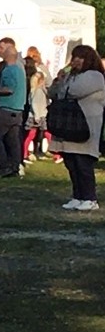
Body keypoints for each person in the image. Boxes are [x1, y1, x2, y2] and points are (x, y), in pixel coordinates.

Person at [48, 44, 105, 211]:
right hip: (69, 124)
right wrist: (59, 79)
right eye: (74, 57)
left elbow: (73, 91)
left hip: (86, 124)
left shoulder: (95, 76)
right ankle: (77, 195)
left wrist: (64, 81)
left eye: (80, 57)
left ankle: (90, 197)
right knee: (71, 162)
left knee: (83, 163)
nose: (76, 61)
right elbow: (54, 92)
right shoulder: (71, 76)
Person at [0, 37, 28, 178]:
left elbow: (9, 89)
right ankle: (15, 166)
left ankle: (4, 165)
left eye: (1, 49)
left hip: (6, 108)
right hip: (18, 109)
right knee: (14, 140)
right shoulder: (20, 69)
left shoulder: (9, 70)